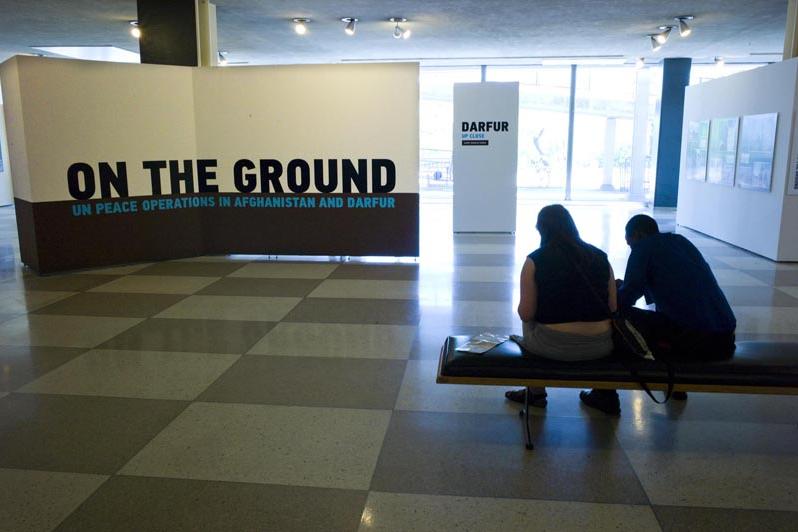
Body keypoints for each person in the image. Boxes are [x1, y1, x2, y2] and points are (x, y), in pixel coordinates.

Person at [579, 214, 737, 415]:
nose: (631, 248)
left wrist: (608, 295)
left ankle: (605, 393)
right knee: (668, 318)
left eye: (630, 244)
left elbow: (625, 299)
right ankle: (678, 386)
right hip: (725, 338)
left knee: (615, 319)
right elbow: (677, 291)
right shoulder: (680, 242)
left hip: (697, 342)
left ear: (638, 235)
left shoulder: (643, 249)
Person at [505, 204, 617, 407]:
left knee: (528, 318)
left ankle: (536, 393)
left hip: (552, 347)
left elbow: (526, 314)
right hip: (601, 346)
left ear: (541, 230)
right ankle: (605, 393)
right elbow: (613, 308)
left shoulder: (535, 260)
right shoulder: (600, 256)